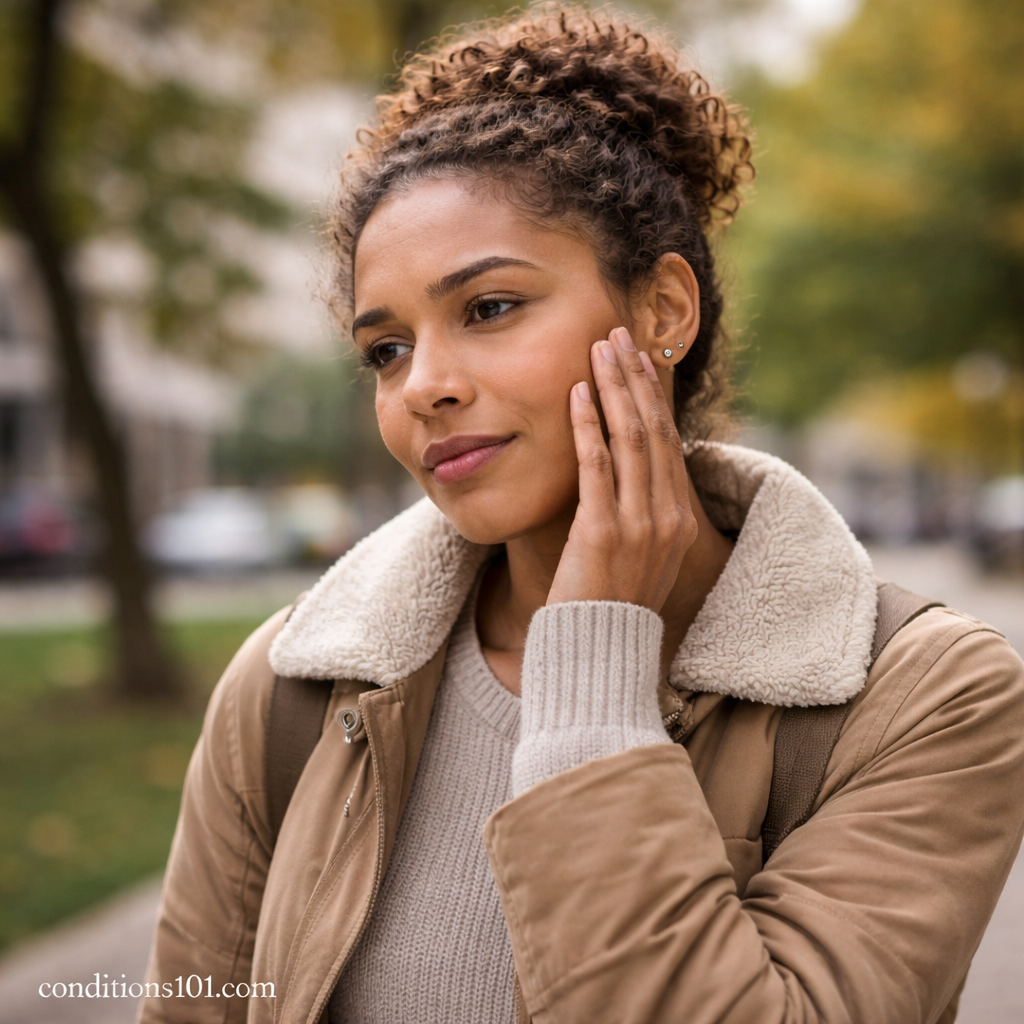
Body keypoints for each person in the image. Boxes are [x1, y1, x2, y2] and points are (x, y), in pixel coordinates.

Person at [138, 7, 1024, 1024]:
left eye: (489, 307)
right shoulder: (292, 685)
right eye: (384, 348)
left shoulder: (925, 698)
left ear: (662, 313)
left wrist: (594, 677)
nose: (423, 384)